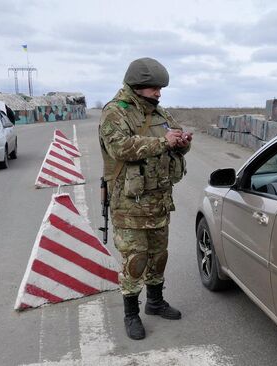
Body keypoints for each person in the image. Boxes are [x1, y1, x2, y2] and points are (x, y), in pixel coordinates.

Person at [98, 57, 193, 340]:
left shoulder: (159, 112)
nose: (159, 93)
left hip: (158, 199)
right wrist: (164, 142)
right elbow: (121, 148)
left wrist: (182, 142)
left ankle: (154, 302)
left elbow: (173, 140)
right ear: (138, 86)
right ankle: (131, 314)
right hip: (129, 202)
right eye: (154, 88)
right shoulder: (116, 112)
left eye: (160, 88)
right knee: (135, 259)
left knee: (158, 255)